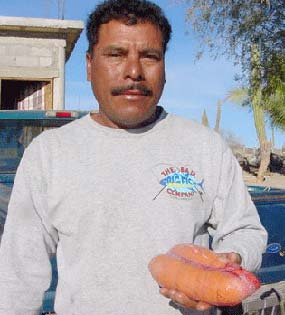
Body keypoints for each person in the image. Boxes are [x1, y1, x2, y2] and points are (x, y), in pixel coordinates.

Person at [0, 0, 267, 314]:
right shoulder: (49, 154)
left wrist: (231, 259)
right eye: (115, 54)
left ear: (164, 67)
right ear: (89, 65)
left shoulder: (205, 146)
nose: (134, 72)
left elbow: (245, 230)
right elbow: (19, 273)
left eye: (149, 57)